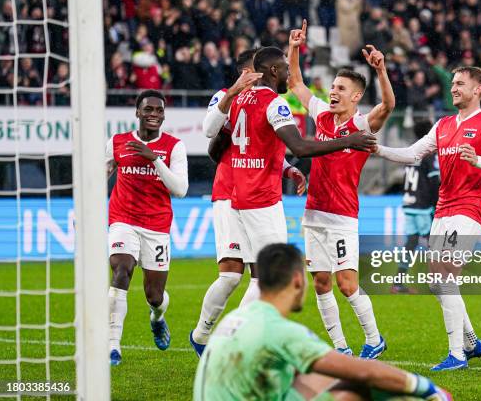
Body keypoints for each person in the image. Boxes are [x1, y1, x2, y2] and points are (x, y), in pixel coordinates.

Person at [198, 44, 376, 344]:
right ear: (270, 71)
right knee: (261, 274)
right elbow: (300, 147)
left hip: (238, 193)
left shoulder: (237, 99)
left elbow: (233, 145)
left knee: (249, 276)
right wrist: (351, 141)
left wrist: (284, 168)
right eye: (284, 68)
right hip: (258, 196)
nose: (288, 74)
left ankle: (211, 336)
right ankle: (229, 338)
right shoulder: (270, 102)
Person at [373, 66, 481, 371]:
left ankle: (457, 355)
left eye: (460, 84)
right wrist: (378, 149)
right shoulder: (444, 125)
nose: (453, 88)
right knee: (437, 283)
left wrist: (478, 159)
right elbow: (412, 154)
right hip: (443, 210)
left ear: (477, 89)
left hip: (469, 209)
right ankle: (472, 342)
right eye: (452, 83)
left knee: (444, 275)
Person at [193, 243, 452, 401]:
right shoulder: (279, 330)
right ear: (297, 280)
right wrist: (426, 388)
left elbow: (310, 376)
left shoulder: (239, 316)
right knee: (354, 393)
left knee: (333, 385)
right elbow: (363, 371)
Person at [287, 20, 394, 359]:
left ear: (356, 97)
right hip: (313, 213)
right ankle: (341, 349)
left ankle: (374, 339)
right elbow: (296, 83)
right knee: (321, 283)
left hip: (343, 216)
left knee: (347, 284)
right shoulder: (319, 114)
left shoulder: (361, 125)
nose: (333, 92)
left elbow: (388, 106)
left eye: (341, 89)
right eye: (333, 86)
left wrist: (381, 70)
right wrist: (294, 48)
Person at [190, 49, 307, 356]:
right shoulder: (225, 98)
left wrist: (287, 168)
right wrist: (232, 93)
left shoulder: (261, 102)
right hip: (229, 193)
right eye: (249, 73)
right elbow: (212, 139)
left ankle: (234, 338)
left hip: (253, 189)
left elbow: (257, 144)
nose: (253, 79)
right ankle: (202, 336)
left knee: (260, 274)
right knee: (230, 275)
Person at [106, 90, 189, 366]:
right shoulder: (117, 142)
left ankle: (157, 318)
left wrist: (154, 158)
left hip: (156, 227)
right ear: (137, 112)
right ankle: (112, 345)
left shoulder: (174, 146)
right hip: (122, 220)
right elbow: (96, 177)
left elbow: (180, 189)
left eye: (159, 111)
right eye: (148, 109)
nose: (154, 115)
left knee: (154, 297)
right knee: (121, 270)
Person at [391, 120, 439, 294]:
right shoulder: (428, 155)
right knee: (433, 242)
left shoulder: (412, 153)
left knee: (411, 243)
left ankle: (398, 282)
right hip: (422, 206)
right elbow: (434, 182)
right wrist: (437, 204)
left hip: (409, 203)